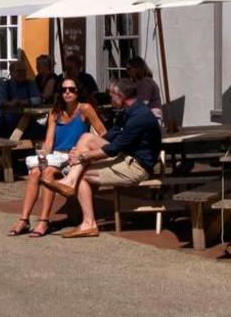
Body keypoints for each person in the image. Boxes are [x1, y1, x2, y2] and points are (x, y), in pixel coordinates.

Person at [47, 79, 161, 238]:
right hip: (125, 157)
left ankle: (89, 224)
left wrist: (82, 155)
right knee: (86, 137)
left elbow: (113, 149)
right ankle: (70, 181)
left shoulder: (139, 117)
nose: (110, 99)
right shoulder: (128, 111)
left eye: (111, 96)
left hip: (136, 167)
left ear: (120, 95)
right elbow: (110, 136)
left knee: (82, 174)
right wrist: (80, 148)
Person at [10, 77, 106, 236]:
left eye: (71, 89)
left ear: (78, 91)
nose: (67, 93)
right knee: (35, 173)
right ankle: (24, 220)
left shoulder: (85, 108)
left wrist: (86, 149)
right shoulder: (55, 112)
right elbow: (49, 142)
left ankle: (43, 221)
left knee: (47, 173)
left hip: (74, 157)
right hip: (56, 155)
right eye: (64, 90)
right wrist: (43, 155)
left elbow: (103, 132)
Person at [0, 58, 42, 138]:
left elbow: (37, 99)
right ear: (11, 72)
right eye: (19, 71)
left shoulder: (30, 83)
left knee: (44, 131)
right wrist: (10, 103)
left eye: (24, 70)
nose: (22, 73)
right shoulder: (5, 85)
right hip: (6, 123)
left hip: (27, 122)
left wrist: (20, 102)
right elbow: (2, 102)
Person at [124, 56, 164, 124]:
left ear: (137, 69)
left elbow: (143, 102)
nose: (126, 71)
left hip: (150, 118)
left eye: (129, 68)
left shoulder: (146, 82)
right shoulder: (140, 83)